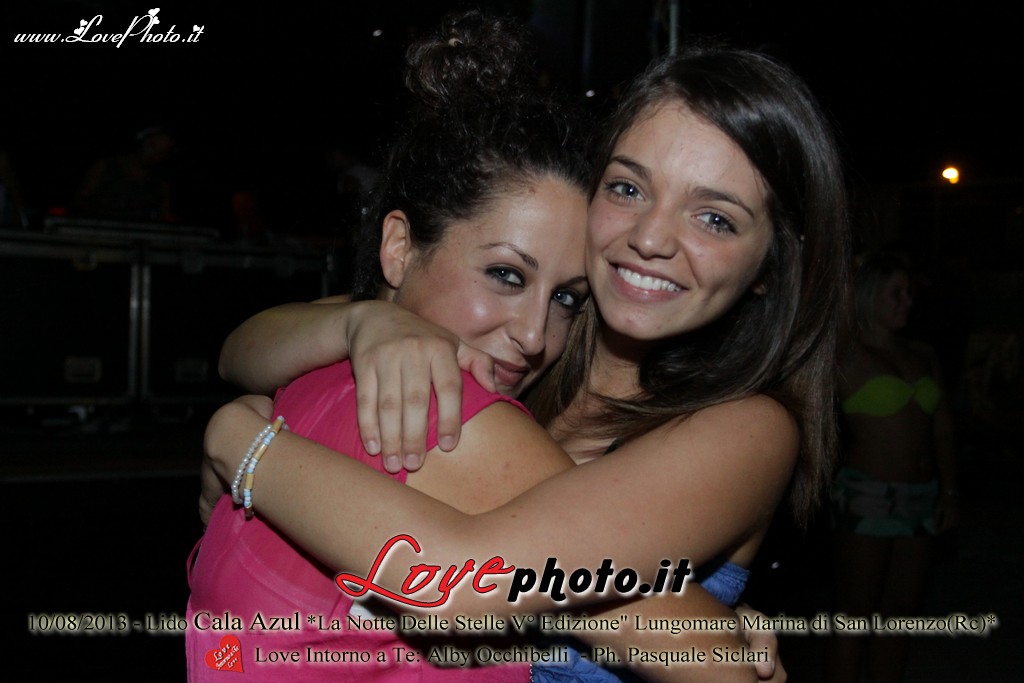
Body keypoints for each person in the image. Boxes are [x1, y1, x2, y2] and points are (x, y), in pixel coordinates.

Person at [206, 35, 850, 682]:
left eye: (715, 219)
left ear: (771, 265)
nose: (652, 237)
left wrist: (240, 442)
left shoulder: (747, 429)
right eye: (628, 188)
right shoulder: (522, 350)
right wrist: (363, 321)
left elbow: (465, 584)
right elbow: (244, 349)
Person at [824, 251, 959, 683]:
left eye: (909, 293)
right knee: (855, 613)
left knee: (901, 613)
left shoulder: (923, 354)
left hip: (922, 496)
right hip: (867, 494)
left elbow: (943, 430)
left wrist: (949, 491)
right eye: (896, 293)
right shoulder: (845, 355)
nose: (907, 302)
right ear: (868, 296)